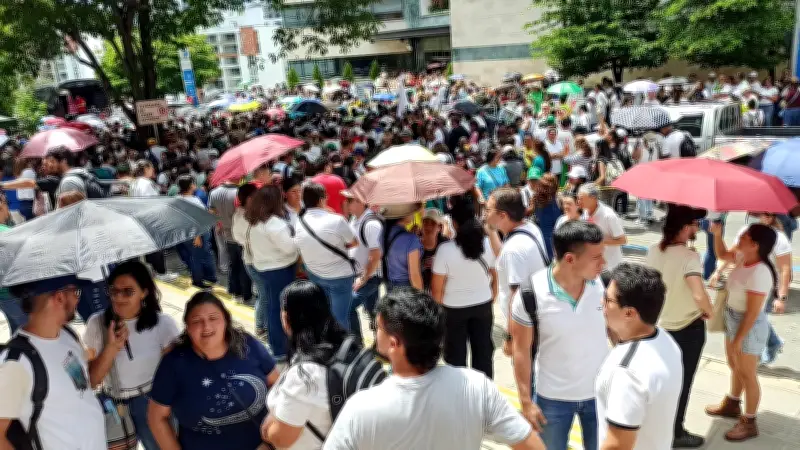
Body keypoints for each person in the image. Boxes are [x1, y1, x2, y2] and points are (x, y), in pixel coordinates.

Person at [322, 287, 546, 450]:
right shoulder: (476, 386)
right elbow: (532, 445)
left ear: (394, 343)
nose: (374, 332)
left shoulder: (361, 409)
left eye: (377, 327)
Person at [510, 221, 607, 450]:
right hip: (552, 400)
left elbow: (617, 334)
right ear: (570, 259)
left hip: (601, 396)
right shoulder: (530, 293)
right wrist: (525, 401)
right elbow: (521, 350)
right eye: (596, 257)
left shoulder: (603, 284)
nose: (603, 263)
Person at [148, 292, 280, 450]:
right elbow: (156, 418)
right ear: (187, 328)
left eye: (213, 318)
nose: (206, 327)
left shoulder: (247, 344)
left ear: (226, 320)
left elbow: (278, 387)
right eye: (197, 321)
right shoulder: (174, 364)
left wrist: (271, 440)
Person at [0, 276, 106, 450]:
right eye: (75, 292)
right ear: (59, 297)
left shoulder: (67, 335)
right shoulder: (15, 363)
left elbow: (84, 386)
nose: (78, 298)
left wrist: (112, 348)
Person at [83, 261, 180, 450]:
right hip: (113, 402)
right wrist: (111, 348)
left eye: (128, 291)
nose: (119, 297)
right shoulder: (97, 324)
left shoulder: (163, 325)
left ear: (144, 292)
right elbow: (92, 380)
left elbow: (175, 374)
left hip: (152, 403)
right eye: (113, 291)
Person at [644, 205, 712, 448]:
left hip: (660, 327)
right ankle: (675, 432)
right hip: (687, 330)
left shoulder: (653, 251)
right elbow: (698, 293)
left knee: (660, 382)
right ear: (684, 228)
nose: (697, 227)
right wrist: (708, 309)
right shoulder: (690, 257)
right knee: (681, 384)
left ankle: (655, 427)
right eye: (694, 223)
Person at [598, 263, 683, 450]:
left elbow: (617, 445)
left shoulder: (627, 372)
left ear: (629, 313)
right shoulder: (666, 341)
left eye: (607, 299)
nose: (601, 304)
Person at [705, 223, 778, 442]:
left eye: (744, 236)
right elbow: (722, 254)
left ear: (754, 245)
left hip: (748, 325)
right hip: (734, 317)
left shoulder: (760, 272)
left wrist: (738, 339)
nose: (739, 237)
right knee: (734, 365)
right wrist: (717, 235)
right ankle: (732, 402)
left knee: (747, 373)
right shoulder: (742, 258)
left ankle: (749, 421)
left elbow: (753, 313)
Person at [262, 280, 352, 448]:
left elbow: (281, 438)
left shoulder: (304, 374)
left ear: (287, 318)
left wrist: (268, 428)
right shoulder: (348, 347)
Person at [431, 213, 497, 378]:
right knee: (483, 352)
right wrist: (492, 296)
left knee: (455, 356)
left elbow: (436, 289)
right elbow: (495, 274)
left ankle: (460, 395)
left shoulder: (445, 250)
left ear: (454, 223)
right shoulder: (488, 244)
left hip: (453, 309)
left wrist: (438, 310)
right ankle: (484, 393)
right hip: (483, 304)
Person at [237, 185, 298, 360]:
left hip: (263, 268)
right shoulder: (274, 224)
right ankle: (280, 348)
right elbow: (289, 248)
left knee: (273, 306)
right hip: (279, 269)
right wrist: (297, 237)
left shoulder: (254, 220)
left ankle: (276, 345)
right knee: (279, 308)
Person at [486, 188, 548, 357]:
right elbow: (503, 259)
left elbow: (517, 297)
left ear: (503, 216)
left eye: (488, 209)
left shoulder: (514, 249)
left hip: (525, 327)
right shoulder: (529, 228)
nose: (485, 213)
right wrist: (491, 232)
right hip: (537, 319)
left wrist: (510, 337)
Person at [295, 182, 359, 332]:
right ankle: (341, 350)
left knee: (324, 313)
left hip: (315, 274)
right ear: (322, 199)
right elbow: (354, 242)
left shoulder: (300, 221)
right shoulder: (336, 220)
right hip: (340, 277)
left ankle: (326, 342)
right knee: (340, 317)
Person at [211, 178, 253, 303]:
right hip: (241, 236)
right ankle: (246, 295)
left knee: (232, 264)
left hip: (226, 234)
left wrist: (219, 224)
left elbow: (212, 211)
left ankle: (235, 292)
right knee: (244, 266)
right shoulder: (239, 192)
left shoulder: (214, 192)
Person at [344, 190, 383, 325]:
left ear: (360, 202)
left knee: (347, 307)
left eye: (349, 200)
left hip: (370, 277)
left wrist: (363, 278)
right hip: (363, 275)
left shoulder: (371, 224)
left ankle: (356, 344)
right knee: (373, 312)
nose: (345, 203)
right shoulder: (355, 219)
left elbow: (376, 255)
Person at [176, 175, 218, 288]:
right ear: (190, 186)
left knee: (194, 256)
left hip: (184, 233)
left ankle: (204, 277)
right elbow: (199, 219)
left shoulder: (177, 199)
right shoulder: (194, 200)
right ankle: (198, 281)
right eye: (193, 183)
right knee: (197, 258)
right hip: (196, 233)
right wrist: (197, 236)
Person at [578, 183, 627, 273]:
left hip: (611, 267)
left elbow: (623, 240)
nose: (578, 202)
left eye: (581, 198)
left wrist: (599, 241)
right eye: (578, 198)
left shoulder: (609, 215)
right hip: (593, 265)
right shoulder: (585, 212)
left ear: (593, 198)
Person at [419, 208, 449, 294]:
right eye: (425, 222)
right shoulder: (414, 245)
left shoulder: (445, 245)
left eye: (433, 223)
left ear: (440, 227)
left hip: (441, 290)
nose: (428, 226)